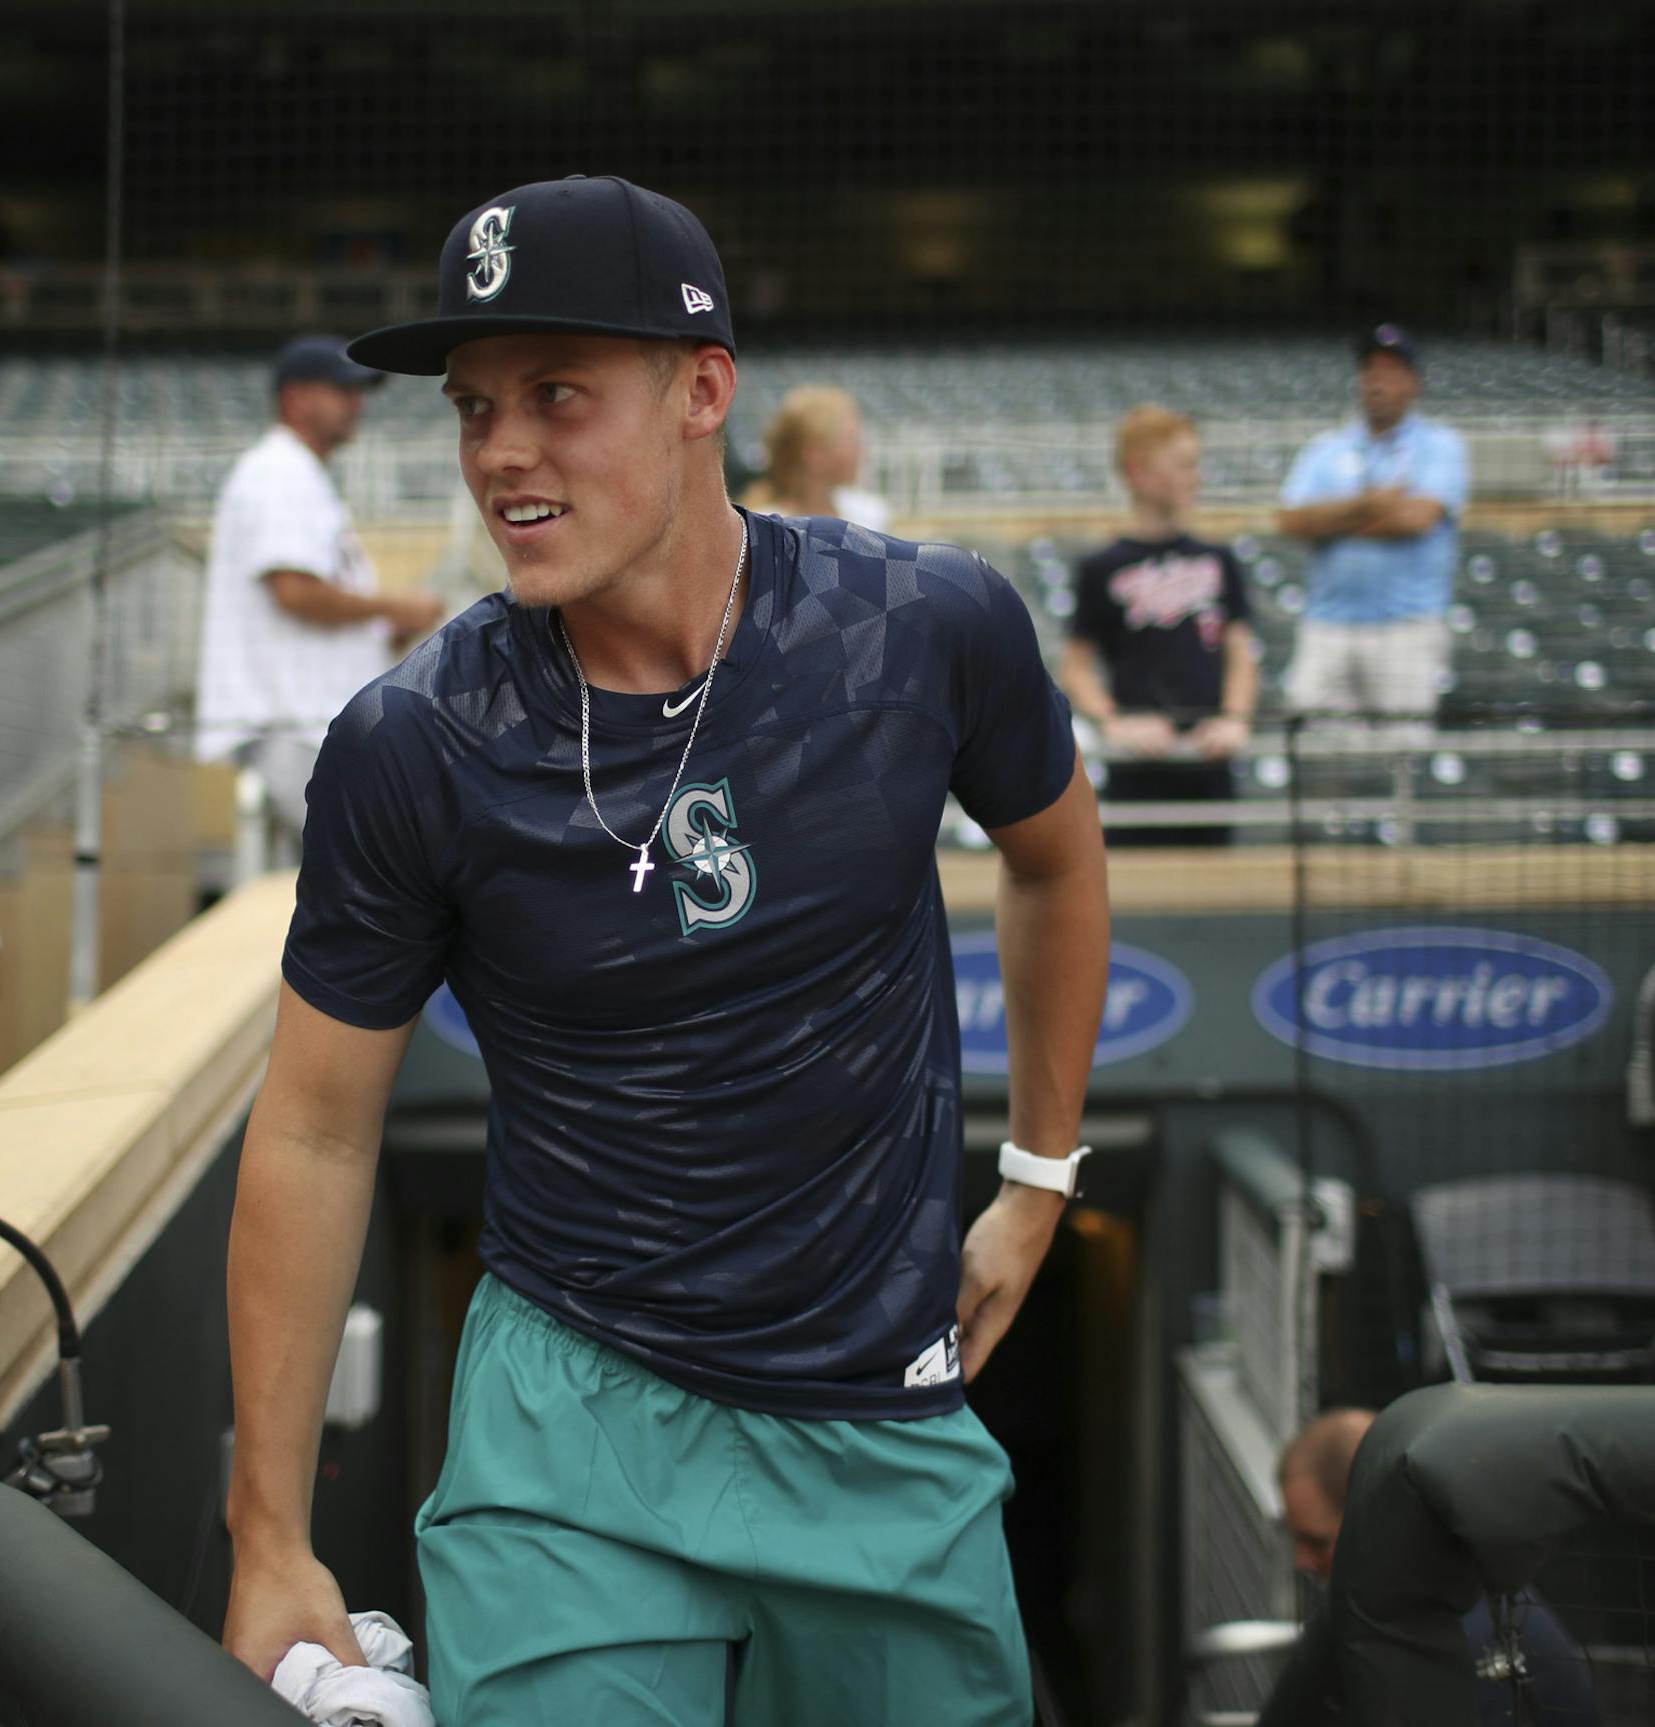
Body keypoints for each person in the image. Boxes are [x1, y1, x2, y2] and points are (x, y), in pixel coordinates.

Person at [221, 175, 1109, 1726]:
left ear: (705, 390)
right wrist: (270, 1533)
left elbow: (1057, 855)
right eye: (475, 405)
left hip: (877, 1409)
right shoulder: (411, 742)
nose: (503, 451)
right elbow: (310, 1123)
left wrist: (1040, 1182)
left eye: (558, 393)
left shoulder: (920, 626)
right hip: (574, 1414)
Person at [194, 333, 443, 867]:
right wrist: (391, 609)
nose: (357, 404)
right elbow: (294, 590)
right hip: (293, 725)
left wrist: (382, 627)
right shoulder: (277, 471)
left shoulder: (297, 472)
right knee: (388, 872)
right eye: (341, 391)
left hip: (310, 723)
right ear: (296, 398)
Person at [1259, 1407, 1596, 1727]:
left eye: (1318, 1542)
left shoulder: (1455, 1631)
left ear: (1375, 1523)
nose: (1300, 1561)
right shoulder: (1383, 1605)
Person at [1060, 404, 1255, 846]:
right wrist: (1116, 723)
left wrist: (1235, 719)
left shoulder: (1218, 559)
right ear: (1140, 474)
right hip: (1139, 762)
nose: (1196, 477)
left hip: (1209, 756)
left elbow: (1241, 653)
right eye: (1184, 465)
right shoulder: (1102, 566)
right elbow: (1075, 666)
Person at [1275, 325, 1470, 726]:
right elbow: (1292, 520)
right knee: (1317, 761)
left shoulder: (1441, 445)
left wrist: (1332, 520)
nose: (1378, 382)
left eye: (1392, 371)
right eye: (1371, 371)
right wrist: (1372, 504)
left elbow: (1417, 519)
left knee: (1401, 754)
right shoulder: (1326, 449)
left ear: (1413, 382)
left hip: (1407, 628)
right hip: (1328, 626)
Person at [740, 384, 892, 531]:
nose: (861, 451)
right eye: (850, 440)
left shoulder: (869, 516)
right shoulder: (765, 529)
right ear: (814, 454)